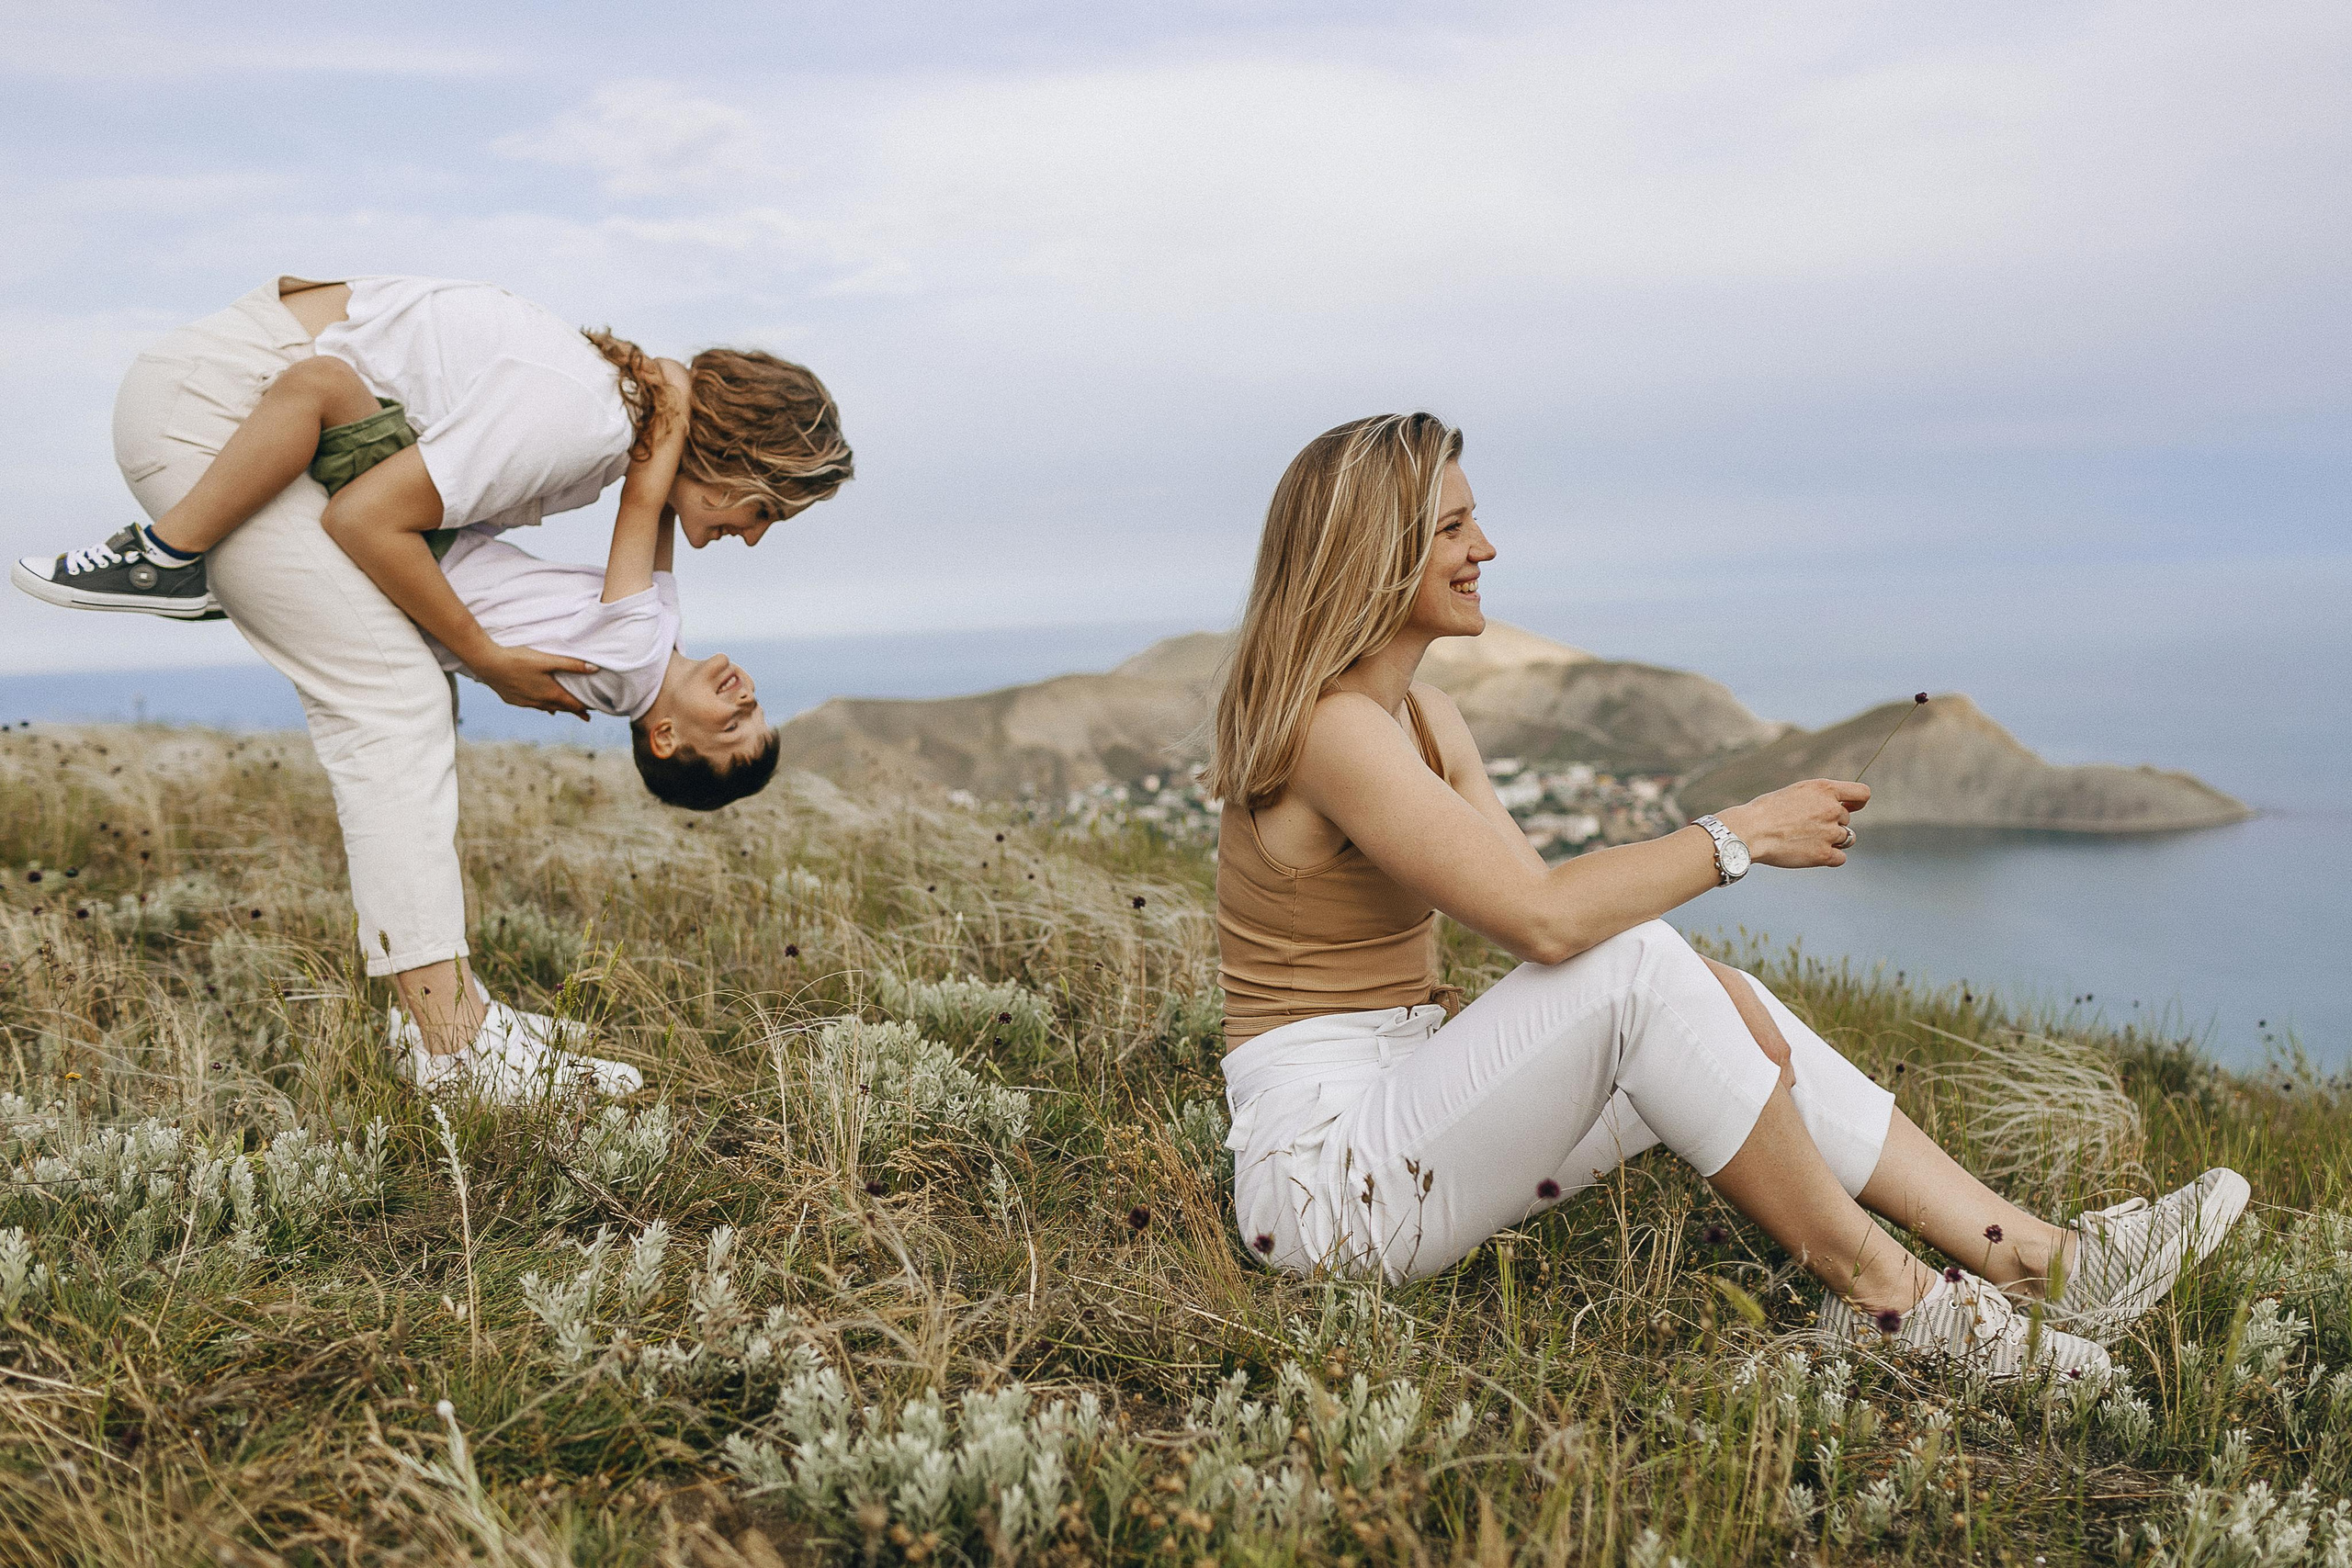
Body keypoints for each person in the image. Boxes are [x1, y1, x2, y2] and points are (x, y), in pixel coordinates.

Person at [1206, 412, 2246, 1377]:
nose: (1485, 548)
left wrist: (1721, 1004)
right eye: (1452, 526)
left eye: (1476, 519)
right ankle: (1901, 1306)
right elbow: (1548, 919)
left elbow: (1550, 926)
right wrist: (1740, 835)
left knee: (1691, 982)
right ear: (1372, 555)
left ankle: (2035, 1259)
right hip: (1323, 1188)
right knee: (1646, 966)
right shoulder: (1334, 728)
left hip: (1414, 1108)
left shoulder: (1425, 719)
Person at [14, 276, 850, 1100]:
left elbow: (642, 509)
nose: (746, 538)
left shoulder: (603, 440)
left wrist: (671, 398)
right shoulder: (586, 425)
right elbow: (389, 517)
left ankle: (454, 1021)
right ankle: (455, 1048)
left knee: (408, 685)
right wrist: (482, 654)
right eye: (766, 511)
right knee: (398, 705)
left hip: (297, 437)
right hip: (213, 414)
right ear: (739, 457)